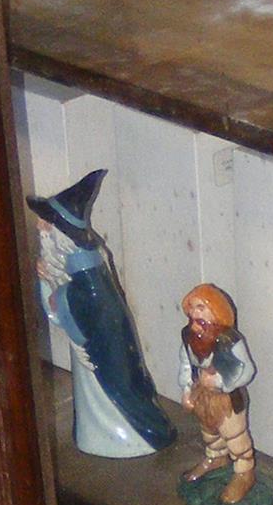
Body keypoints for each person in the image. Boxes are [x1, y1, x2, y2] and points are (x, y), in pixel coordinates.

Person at [27, 169, 174, 459]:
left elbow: (61, 309)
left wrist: (47, 287)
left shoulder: (88, 279)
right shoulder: (84, 264)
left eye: (47, 227)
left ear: (62, 235)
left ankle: (118, 435)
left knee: (106, 400)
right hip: (102, 352)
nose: (41, 230)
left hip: (101, 361)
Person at [177, 283, 272, 505]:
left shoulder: (229, 340)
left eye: (201, 307)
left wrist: (219, 381)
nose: (195, 313)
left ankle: (244, 472)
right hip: (203, 395)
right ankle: (215, 458)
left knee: (235, 437)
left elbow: (246, 370)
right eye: (192, 307)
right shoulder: (188, 336)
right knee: (209, 432)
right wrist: (187, 389)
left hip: (228, 399)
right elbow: (185, 364)